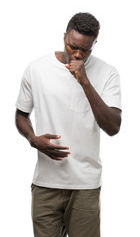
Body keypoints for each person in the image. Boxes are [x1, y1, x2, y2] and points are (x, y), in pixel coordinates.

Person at [15, 12, 122, 237]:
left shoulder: (107, 73)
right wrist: (32, 139)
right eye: (72, 45)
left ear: (94, 45)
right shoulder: (37, 69)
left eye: (85, 49)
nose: (77, 53)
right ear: (64, 36)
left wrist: (84, 81)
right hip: (46, 183)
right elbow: (21, 115)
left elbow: (113, 127)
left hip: (85, 185)